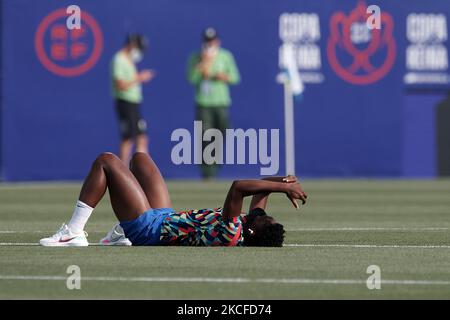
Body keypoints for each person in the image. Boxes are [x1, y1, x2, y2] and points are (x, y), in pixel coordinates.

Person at [39, 152, 307, 247]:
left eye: (264, 220)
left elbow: (238, 187)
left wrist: (283, 189)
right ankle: (120, 233)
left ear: (250, 231)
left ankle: (73, 233)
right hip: (165, 217)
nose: (262, 215)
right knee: (140, 159)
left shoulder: (232, 231)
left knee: (106, 161)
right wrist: (286, 181)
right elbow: (262, 190)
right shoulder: (249, 224)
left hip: (148, 229)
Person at [187, 28, 240, 179]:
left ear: (217, 41)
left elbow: (235, 78)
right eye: (207, 41)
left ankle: (214, 162)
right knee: (205, 136)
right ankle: (207, 171)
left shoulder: (225, 56)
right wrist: (201, 66)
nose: (210, 44)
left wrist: (223, 77)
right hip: (204, 103)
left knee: (221, 134)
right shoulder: (196, 57)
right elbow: (191, 78)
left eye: (212, 41)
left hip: (221, 102)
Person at [111, 34, 155, 164]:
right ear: (131, 45)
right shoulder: (119, 59)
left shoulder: (129, 60)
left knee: (142, 136)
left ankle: (144, 171)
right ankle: (122, 171)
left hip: (134, 103)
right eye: (138, 48)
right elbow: (120, 85)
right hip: (125, 102)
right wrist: (139, 78)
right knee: (128, 138)